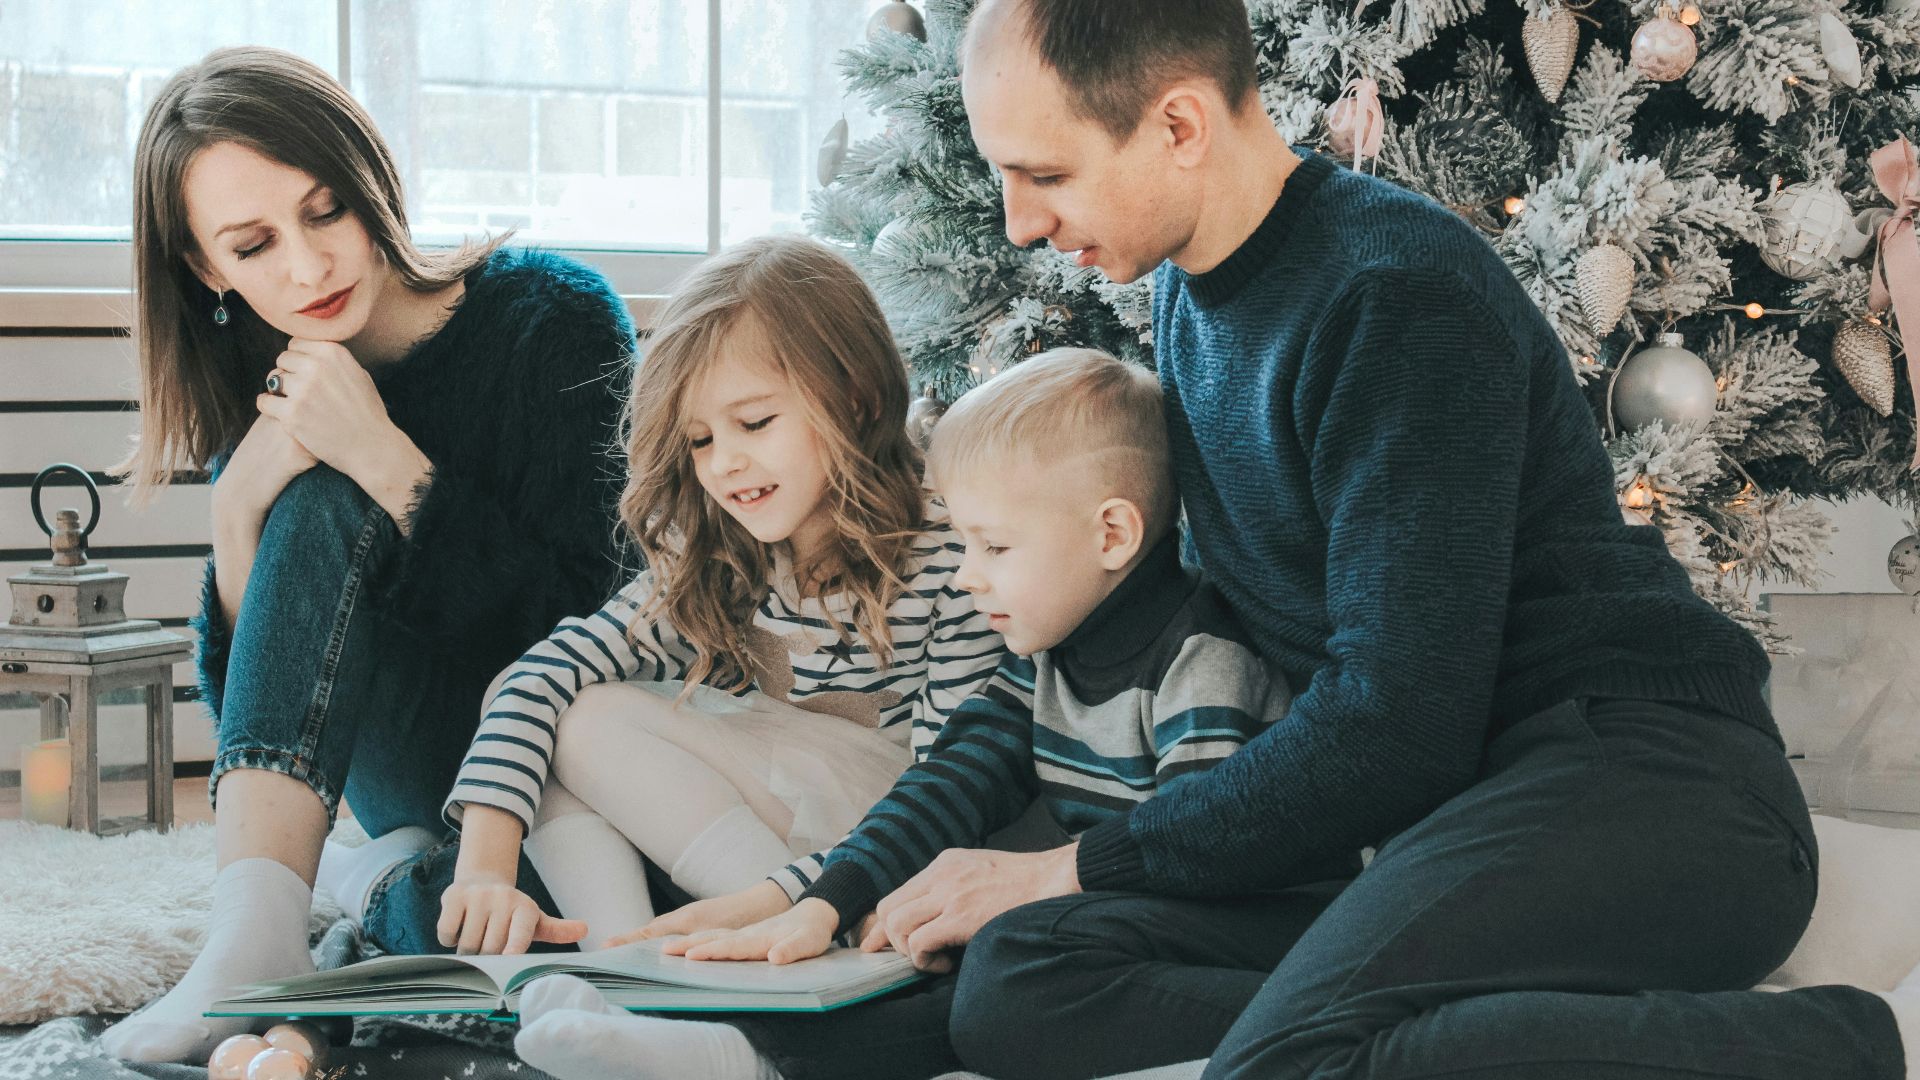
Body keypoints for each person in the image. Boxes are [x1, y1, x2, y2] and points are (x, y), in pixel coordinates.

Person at [847, 1, 1908, 1078]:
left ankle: (1860, 1046)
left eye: (1047, 175)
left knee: (1285, 1063)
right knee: (1024, 979)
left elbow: (1396, 725)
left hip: (1646, 782)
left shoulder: (1394, 296)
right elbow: (1125, 642)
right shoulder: (1186, 290)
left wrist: (1074, 866)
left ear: (1177, 126)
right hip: (1439, 818)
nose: (1021, 221)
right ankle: (1372, 1021)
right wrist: (835, 894)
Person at [503, 346, 1356, 1080]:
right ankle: (735, 1049)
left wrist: (1021, 906)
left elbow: (1192, 862)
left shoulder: (1201, 663)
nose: (967, 575)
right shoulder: (1043, 660)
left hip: (1245, 928)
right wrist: (826, 900)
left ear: (1111, 536)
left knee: (1004, 968)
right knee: (926, 941)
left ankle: (1329, 1024)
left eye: (994, 547)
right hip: (1121, 918)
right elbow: (945, 784)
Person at [101, 46, 635, 1064]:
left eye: (326, 210)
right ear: (207, 269)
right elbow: (261, 709)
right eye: (253, 246)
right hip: (409, 765)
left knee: (525, 925)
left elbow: (594, 623)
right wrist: (239, 507)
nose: (306, 268)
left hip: (566, 758)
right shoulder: (274, 378)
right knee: (309, 493)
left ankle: (365, 880)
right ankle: (251, 938)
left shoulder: (554, 320)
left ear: (371, 184)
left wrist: (390, 463)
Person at [413, 233, 1005, 977]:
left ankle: (777, 952)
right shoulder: (723, 550)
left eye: (755, 423)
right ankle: (626, 969)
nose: (724, 462)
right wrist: (484, 872)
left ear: (858, 399)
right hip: (762, 844)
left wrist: (811, 895)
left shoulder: (953, 554)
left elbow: (953, 783)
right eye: (698, 440)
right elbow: (541, 675)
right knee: (551, 699)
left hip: (894, 846)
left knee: (587, 717)